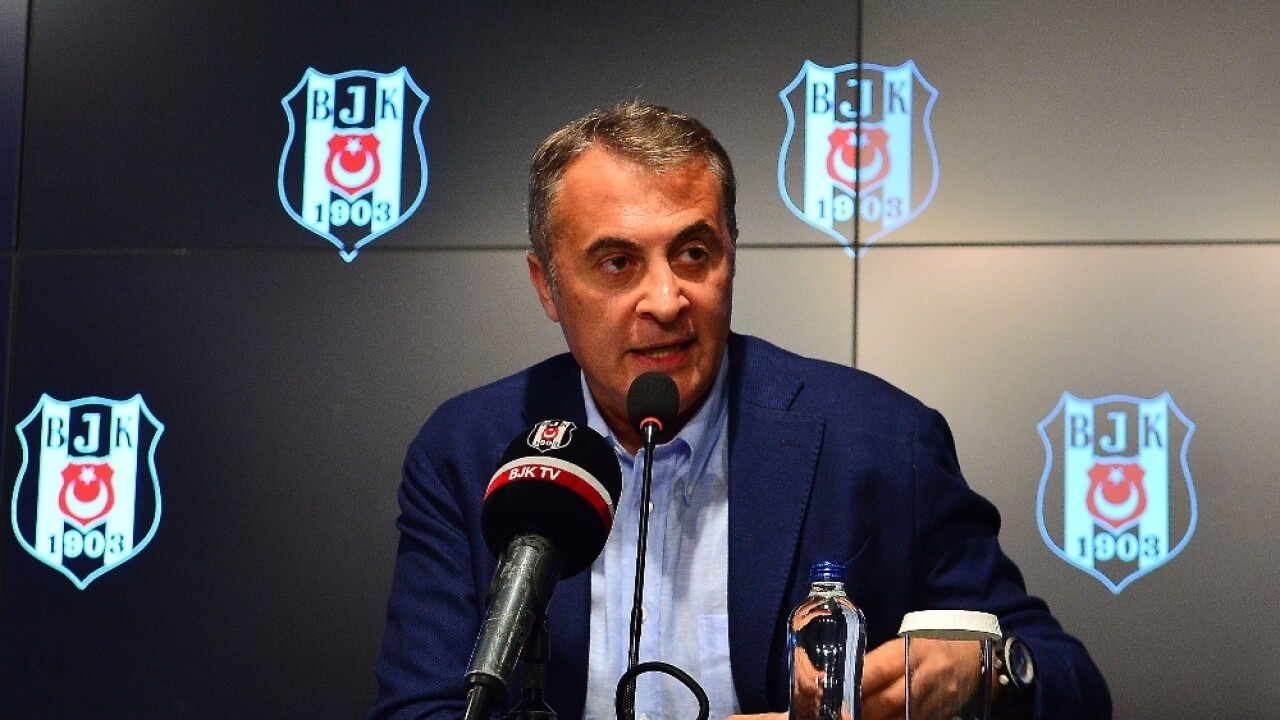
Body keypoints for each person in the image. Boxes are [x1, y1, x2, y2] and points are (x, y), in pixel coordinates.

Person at [369, 101, 1111, 720]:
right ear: (547, 286)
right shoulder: (469, 450)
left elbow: (1070, 683)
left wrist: (985, 671)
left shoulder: (880, 439)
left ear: (731, 253)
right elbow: (419, 708)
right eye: (618, 263)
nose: (666, 300)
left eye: (694, 253)